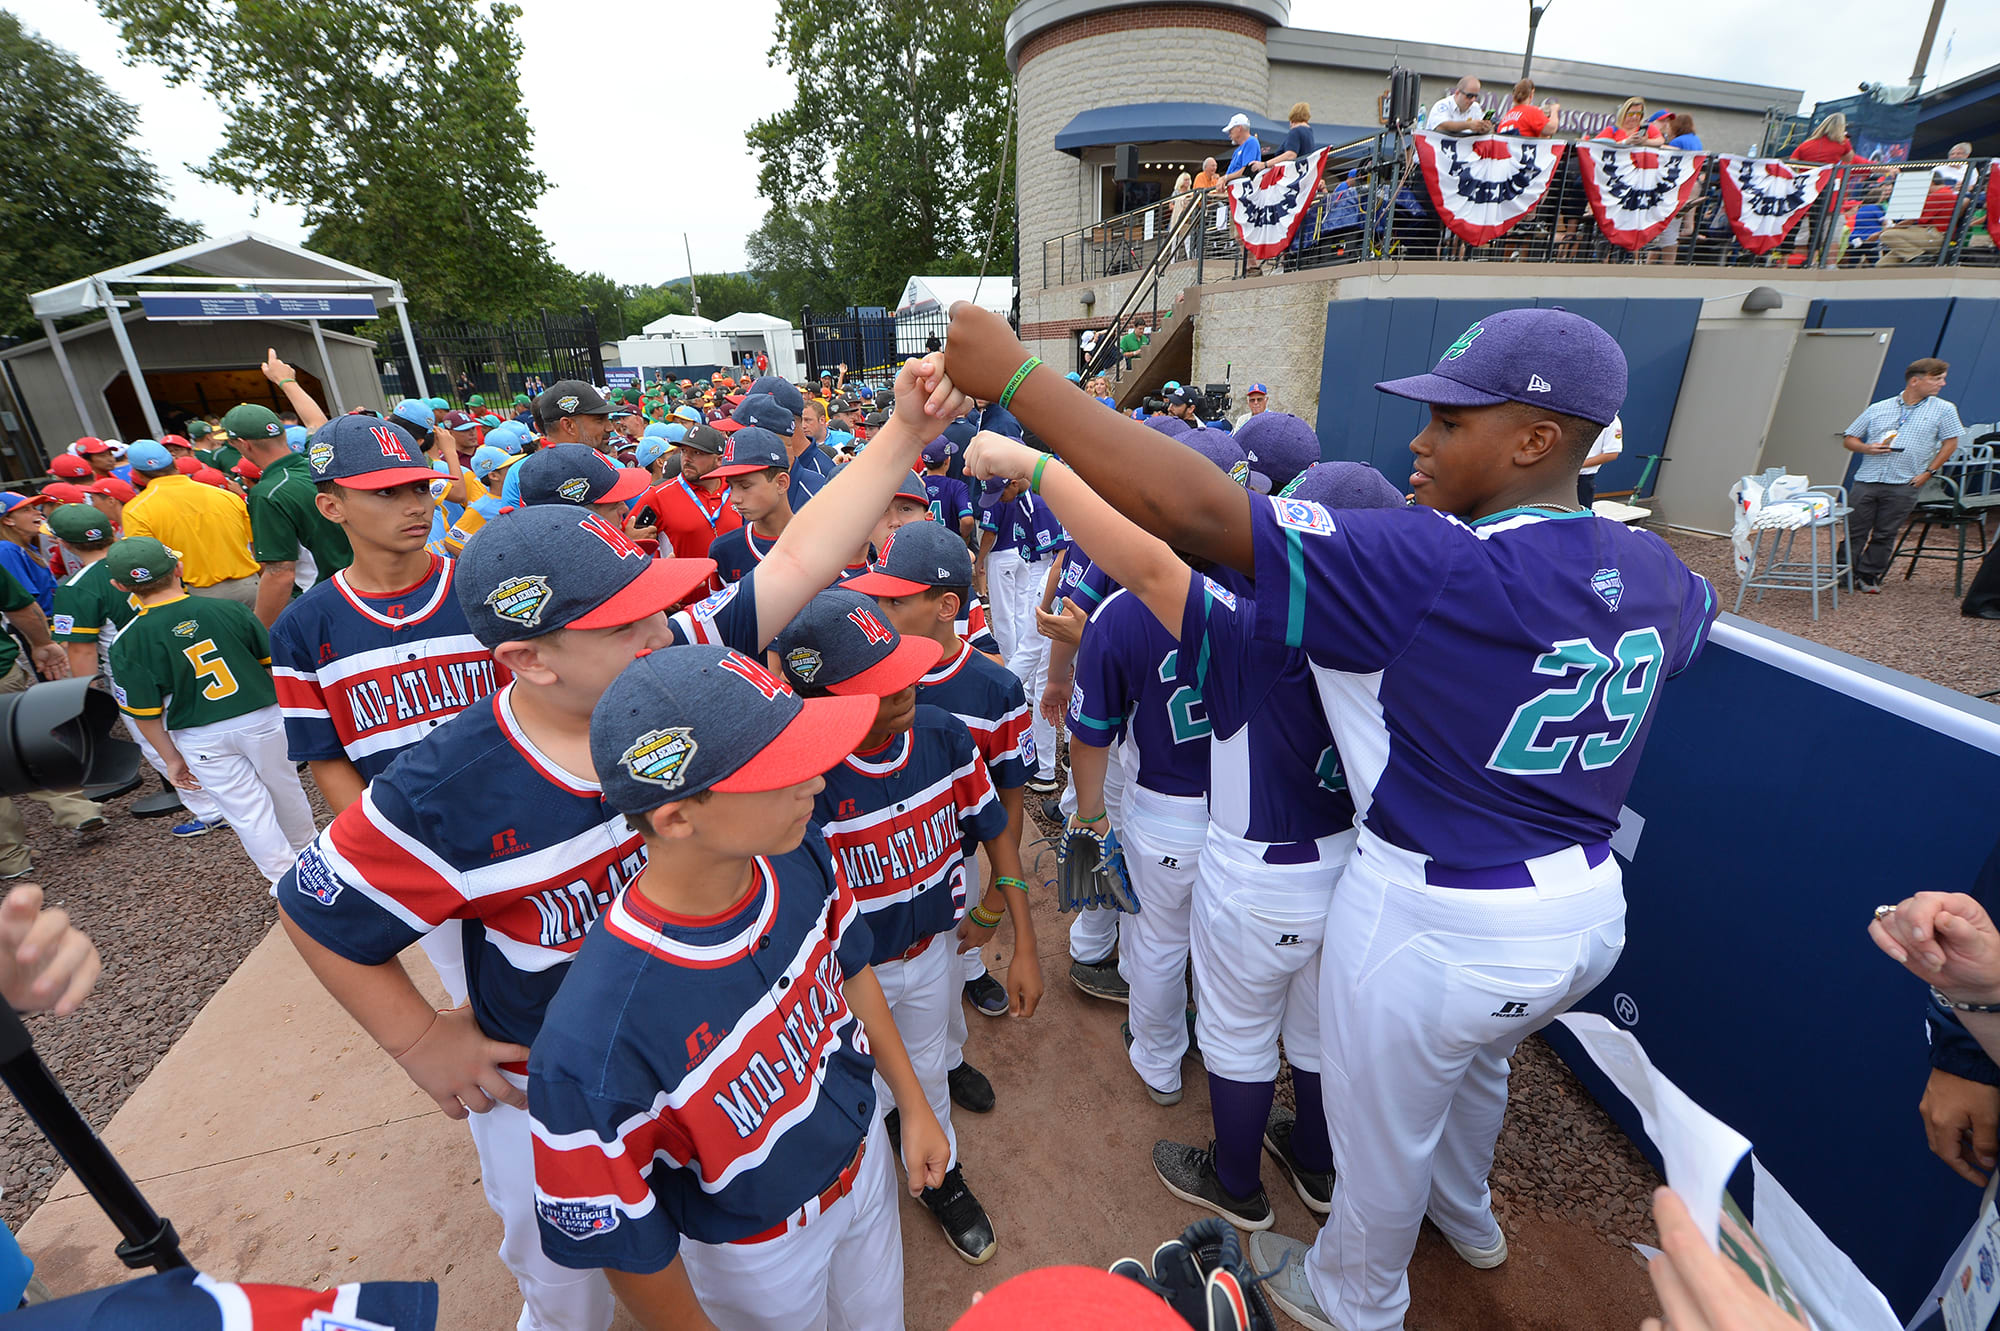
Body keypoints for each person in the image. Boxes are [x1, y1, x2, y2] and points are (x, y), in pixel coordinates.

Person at [941, 300, 1719, 1331]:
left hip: (1431, 908)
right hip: (1580, 905)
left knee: (1374, 1130)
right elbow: (1676, 625)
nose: (1419, 439)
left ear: (1534, 438)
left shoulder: (1435, 564)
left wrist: (1020, 386)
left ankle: (1355, 1297)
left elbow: (1193, 530)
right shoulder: (1663, 569)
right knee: (1472, 1077)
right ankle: (1471, 1217)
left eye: (1450, 422)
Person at [273, 353, 969, 1331]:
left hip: (717, 1048)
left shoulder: (672, 661)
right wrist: (418, 1033)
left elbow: (803, 558)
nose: (657, 626)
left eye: (648, 602)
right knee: (571, 1287)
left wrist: (902, 434)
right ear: (527, 660)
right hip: (563, 1082)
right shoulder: (449, 783)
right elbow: (314, 905)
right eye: (619, 621)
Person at [528, 643, 947, 1331]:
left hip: (865, 1160)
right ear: (675, 816)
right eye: (777, 768)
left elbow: (853, 970)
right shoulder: (591, 1040)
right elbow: (625, 1243)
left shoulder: (800, 851)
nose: (814, 779)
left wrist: (914, 1101)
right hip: (759, 1254)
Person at [773, 588, 1036, 1265]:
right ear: (822, 702)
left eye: (902, 669)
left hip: (932, 947)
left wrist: (1015, 927)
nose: (905, 687)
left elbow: (993, 827)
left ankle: (940, 1178)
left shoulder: (941, 731)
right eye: (878, 684)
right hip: (844, 979)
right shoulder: (802, 783)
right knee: (858, 1095)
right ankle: (877, 1200)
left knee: (931, 1063)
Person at [267, 413, 509, 999]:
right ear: (331, 507)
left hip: (524, 820)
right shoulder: (302, 626)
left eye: (419, 487)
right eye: (384, 492)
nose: (415, 506)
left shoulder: (483, 585)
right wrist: (386, 847)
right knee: (472, 998)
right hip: (416, 844)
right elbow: (324, 756)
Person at [848, 519, 1030, 1109]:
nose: (876, 607)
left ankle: (948, 1062)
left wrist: (996, 901)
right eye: (876, 593)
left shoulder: (994, 687)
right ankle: (894, 1097)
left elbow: (1009, 798)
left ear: (946, 604)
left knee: (943, 980)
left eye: (894, 599)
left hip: (950, 862)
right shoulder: (856, 672)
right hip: (867, 867)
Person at [107, 536, 316, 886]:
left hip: (199, 732)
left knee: (247, 811)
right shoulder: (227, 609)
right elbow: (271, 666)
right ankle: (314, 859)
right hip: (261, 715)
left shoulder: (128, 639)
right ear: (178, 568)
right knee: (285, 789)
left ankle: (288, 883)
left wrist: (170, 758)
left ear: (120, 586)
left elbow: (144, 713)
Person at [48, 504, 227, 839]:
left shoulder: (78, 585)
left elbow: (83, 649)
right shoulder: (143, 556)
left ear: (64, 544)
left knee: (159, 742)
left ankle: (212, 810)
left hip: (136, 668)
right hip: (187, 651)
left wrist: (80, 697)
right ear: (111, 529)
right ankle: (233, 795)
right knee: (205, 728)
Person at [974, 474, 1066, 794]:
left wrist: (1044, 603)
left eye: (1002, 491)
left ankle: (1045, 767)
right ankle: (998, 701)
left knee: (1046, 674)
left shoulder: (1039, 504)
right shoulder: (1026, 500)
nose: (1000, 499)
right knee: (1035, 658)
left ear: (1015, 482)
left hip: (1053, 580)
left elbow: (1059, 557)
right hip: (1046, 577)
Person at [1840, 357, 1961, 592]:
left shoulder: (1944, 409)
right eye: (1937, 379)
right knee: (1854, 530)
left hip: (1905, 481)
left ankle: (1869, 576)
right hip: (1868, 479)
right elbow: (1849, 439)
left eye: (1943, 379)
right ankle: (1844, 574)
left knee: (1886, 532)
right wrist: (1866, 448)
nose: (1942, 384)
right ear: (1915, 381)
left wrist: (1928, 473)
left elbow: (1950, 444)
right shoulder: (1879, 407)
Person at [240, 408, 353, 626]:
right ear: (283, 434)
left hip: (322, 601)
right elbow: (317, 423)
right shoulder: (316, 464)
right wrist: (285, 380)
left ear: (244, 444)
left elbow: (280, 573)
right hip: (361, 585)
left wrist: (261, 631)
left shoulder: (268, 493)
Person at [119, 440, 262, 607]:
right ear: (175, 464)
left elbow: (148, 562)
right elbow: (254, 544)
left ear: (138, 474)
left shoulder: (136, 509)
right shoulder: (225, 495)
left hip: (198, 597)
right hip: (250, 587)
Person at [631, 422, 740, 562]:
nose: (687, 459)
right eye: (683, 451)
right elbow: (627, 547)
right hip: (688, 582)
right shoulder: (657, 496)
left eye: (697, 453)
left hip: (737, 582)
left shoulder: (737, 489)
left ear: (719, 460)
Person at [707, 429, 799, 586]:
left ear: (781, 483)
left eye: (745, 486)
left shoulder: (826, 543)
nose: (735, 499)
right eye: (730, 486)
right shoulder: (724, 551)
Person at [1876, 176, 1966, 266]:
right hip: (1929, 234)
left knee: (1887, 235)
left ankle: (1920, 258)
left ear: (1931, 183)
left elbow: (1912, 220)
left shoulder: (1939, 195)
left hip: (1934, 235)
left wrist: (1891, 228)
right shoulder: (1945, 193)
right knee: (1882, 265)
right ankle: (1916, 258)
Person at [0, 494, 58, 613]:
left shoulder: (28, 547)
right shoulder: (7, 550)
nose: (38, 513)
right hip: (41, 625)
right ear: (7, 520)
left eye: (35, 508)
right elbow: (23, 606)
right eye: (26, 510)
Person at [920, 439, 975, 544]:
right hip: (949, 545)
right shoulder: (957, 486)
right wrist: (964, 538)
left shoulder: (917, 484)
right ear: (947, 461)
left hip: (923, 544)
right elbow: (967, 521)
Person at [1576, 414, 1623, 508]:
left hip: (1581, 479)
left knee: (1580, 518)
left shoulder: (1611, 419)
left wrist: (1575, 466)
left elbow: (1612, 454)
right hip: (1554, 476)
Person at [1424, 77, 1493, 136]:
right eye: (1469, 96)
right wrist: (1468, 125)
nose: (1473, 100)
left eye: (1476, 96)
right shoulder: (1443, 105)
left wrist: (1484, 128)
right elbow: (1441, 126)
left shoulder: (1475, 107)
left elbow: (1479, 132)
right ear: (1457, 93)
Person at [1791, 112, 1858, 165]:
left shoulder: (1806, 144)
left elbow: (1792, 162)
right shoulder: (1843, 142)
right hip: (1827, 179)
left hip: (1806, 179)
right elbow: (1849, 159)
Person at [1265, 102, 1315, 167]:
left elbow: (1290, 155)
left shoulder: (1295, 131)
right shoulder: (1309, 131)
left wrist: (1265, 164)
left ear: (1292, 119)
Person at [1220, 113, 1264, 185]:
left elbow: (1246, 171)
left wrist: (1225, 178)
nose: (1229, 135)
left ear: (1239, 128)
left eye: (1231, 130)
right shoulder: (1237, 150)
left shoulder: (1251, 142)